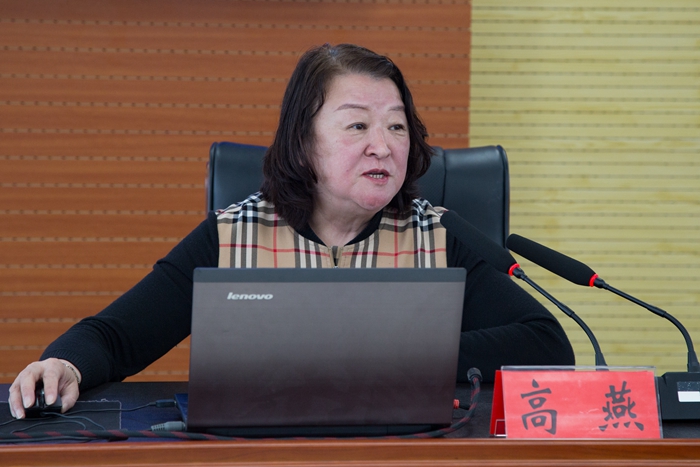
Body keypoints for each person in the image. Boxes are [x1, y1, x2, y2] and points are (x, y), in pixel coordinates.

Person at [8, 43, 575, 419]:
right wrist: (64, 363)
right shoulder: (234, 235)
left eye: (398, 127)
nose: (383, 146)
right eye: (358, 125)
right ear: (303, 142)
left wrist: (392, 354)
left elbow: (547, 345)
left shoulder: (437, 235)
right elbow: (116, 337)